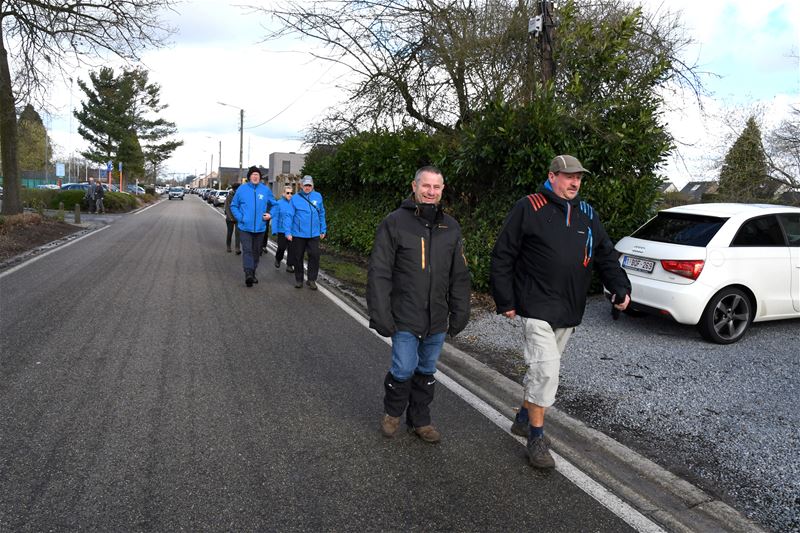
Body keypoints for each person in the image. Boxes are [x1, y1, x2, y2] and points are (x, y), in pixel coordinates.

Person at [489, 154, 631, 469]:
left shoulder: (587, 214)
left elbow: (605, 254)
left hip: (569, 309)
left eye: (579, 177)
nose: (575, 182)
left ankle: (524, 417)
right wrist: (506, 300)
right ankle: (536, 437)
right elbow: (504, 254)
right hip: (535, 305)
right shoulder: (529, 207)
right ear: (552, 176)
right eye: (568, 177)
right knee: (547, 371)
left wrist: (620, 288)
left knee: (543, 370)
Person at [367, 166, 471, 443]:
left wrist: (461, 311)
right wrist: (380, 313)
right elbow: (379, 271)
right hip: (404, 314)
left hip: (436, 316)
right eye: (426, 186)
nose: (430, 192)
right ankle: (392, 413)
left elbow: (459, 274)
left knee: (426, 370)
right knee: (403, 369)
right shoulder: (394, 222)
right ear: (414, 186)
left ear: (442, 190)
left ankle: (420, 420)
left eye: (436, 187)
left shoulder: (451, 226)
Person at [230, 166, 279, 287]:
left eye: (257, 175)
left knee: (256, 252)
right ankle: (248, 274)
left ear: (260, 177)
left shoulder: (265, 190)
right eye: (253, 175)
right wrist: (241, 218)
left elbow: (275, 205)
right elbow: (233, 206)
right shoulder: (242, 189)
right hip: (245, 227)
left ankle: (253, 272)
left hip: (260, 228)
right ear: (249, 177)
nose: (255, 176)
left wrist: (270, 215)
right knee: (247, 250)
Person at [284, 175, 326, 290]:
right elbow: (289, 215)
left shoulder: (318, 196)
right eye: (305, 185)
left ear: (312, 186)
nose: (307, 187)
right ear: (301, 186)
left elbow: (321, 213)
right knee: (298, 257)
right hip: (298, 234)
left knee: (315, 256)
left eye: (309, 185)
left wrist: (323, 229)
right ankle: (299, 279)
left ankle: (311, 280)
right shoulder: (295, 198)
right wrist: (288, 232)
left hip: (314, 234)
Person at [270, 185, 295, 273]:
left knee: (292, 248)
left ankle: (289, 265)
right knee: (281, 247)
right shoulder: (279, 203)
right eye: (288, 193)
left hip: (292, 230)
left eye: (291, 193)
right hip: (281, 230)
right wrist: (274, 230)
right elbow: (275, 218)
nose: (290, 194)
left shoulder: (294, 203)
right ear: (283, 193)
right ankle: (278, 258)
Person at [224, 183, 241, 254]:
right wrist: (230, 217)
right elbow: (227, 207)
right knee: (230, 232)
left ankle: (237, 248)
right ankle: (228, 246)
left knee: (238, 233)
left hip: (238, 218)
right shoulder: (229, 196)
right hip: (230, 218)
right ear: (235, 189)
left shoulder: (241, 196)